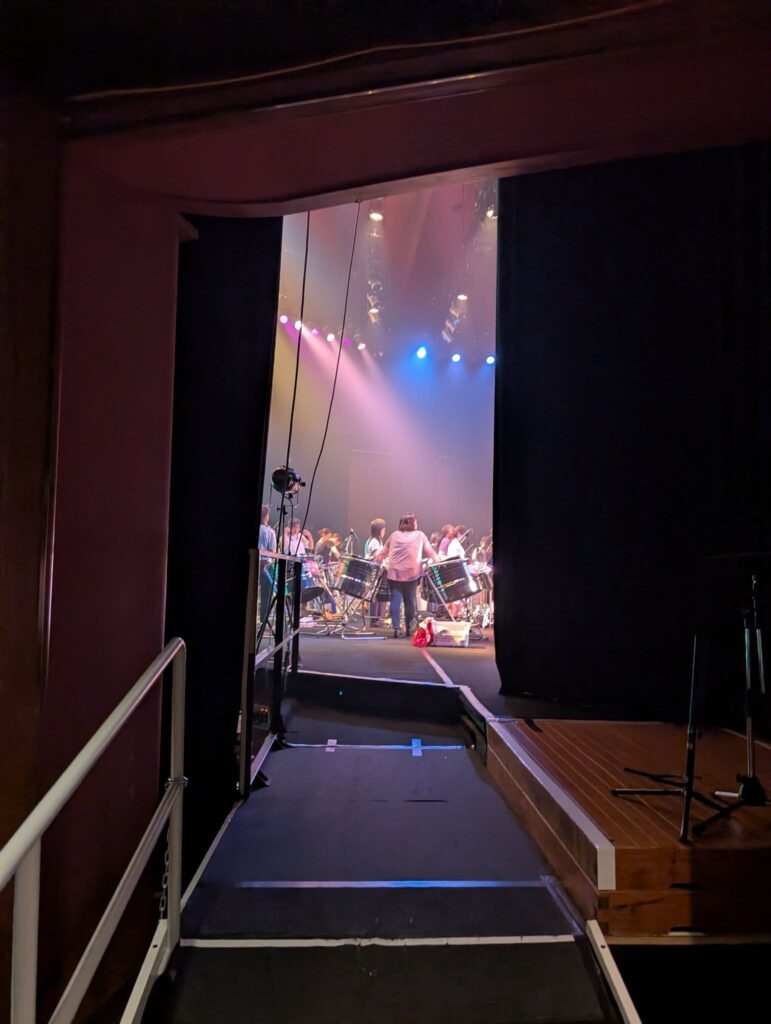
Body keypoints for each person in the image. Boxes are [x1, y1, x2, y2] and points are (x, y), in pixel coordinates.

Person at [375, 514, 438, 638]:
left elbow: (383, 552)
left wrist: (377, 560)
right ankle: (409, 628)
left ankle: (396, 628)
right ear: (413, 523)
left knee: (395, 598)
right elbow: (430, 552)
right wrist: (438, 561)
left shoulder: (394, 535)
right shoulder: (420, 535)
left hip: (394, 572)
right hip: (411, 573)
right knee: (409, 600)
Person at [365, 518, 387, 626]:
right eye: (383, 529)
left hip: (378, 571)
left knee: (378, 595)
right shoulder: (374, 542)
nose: (384, 531)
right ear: (380, 530)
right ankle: (374, 619)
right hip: (374, 571)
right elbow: (378, 556)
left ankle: (378, 618)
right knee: (375, 595)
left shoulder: (378, 541)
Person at [258, 504, 277, 625]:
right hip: (265, 565)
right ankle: (263, 619)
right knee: (266, 594)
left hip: (252, 563)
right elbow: (273, 551)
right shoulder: (269, 531)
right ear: (265, 516)